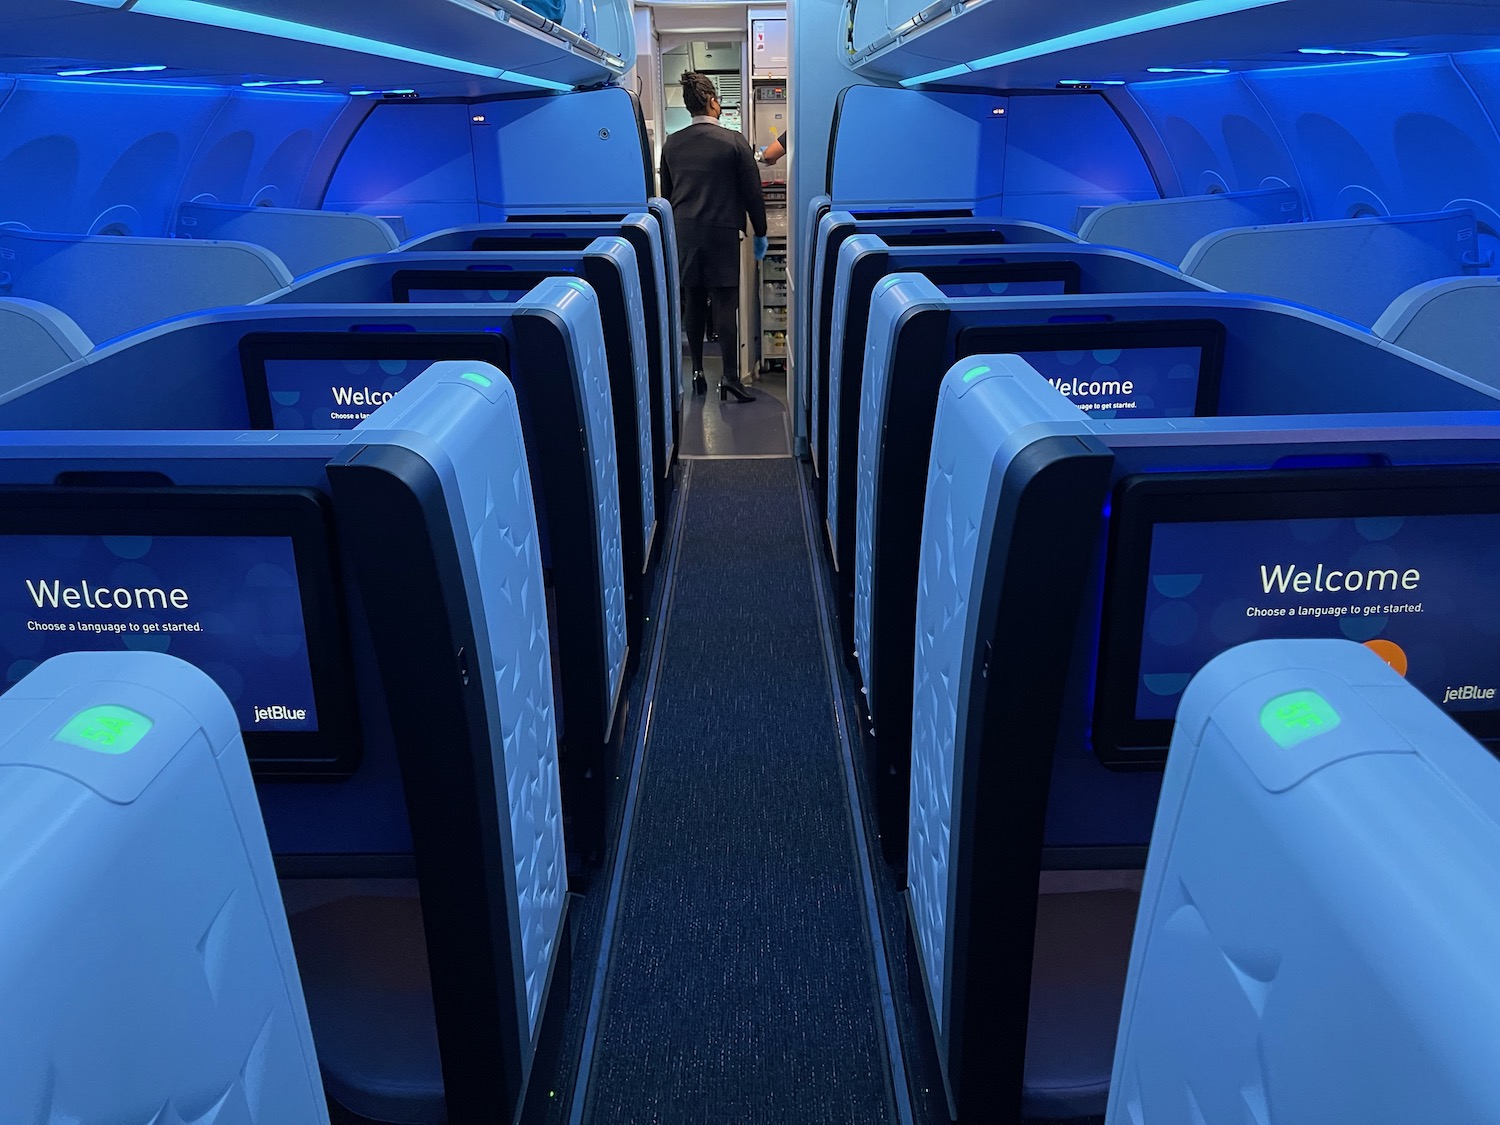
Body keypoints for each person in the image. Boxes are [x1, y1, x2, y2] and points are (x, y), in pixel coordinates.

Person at [659, 71, 768, 403]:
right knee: (724, 303)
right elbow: (753, 195)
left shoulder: (671, 143)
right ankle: (731, 378)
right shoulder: (734, 142)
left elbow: (666, 196)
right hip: (721, 232)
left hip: (684, 232)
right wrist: (760, 233)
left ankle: (696, 373)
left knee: (692, 301)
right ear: (713, 102)